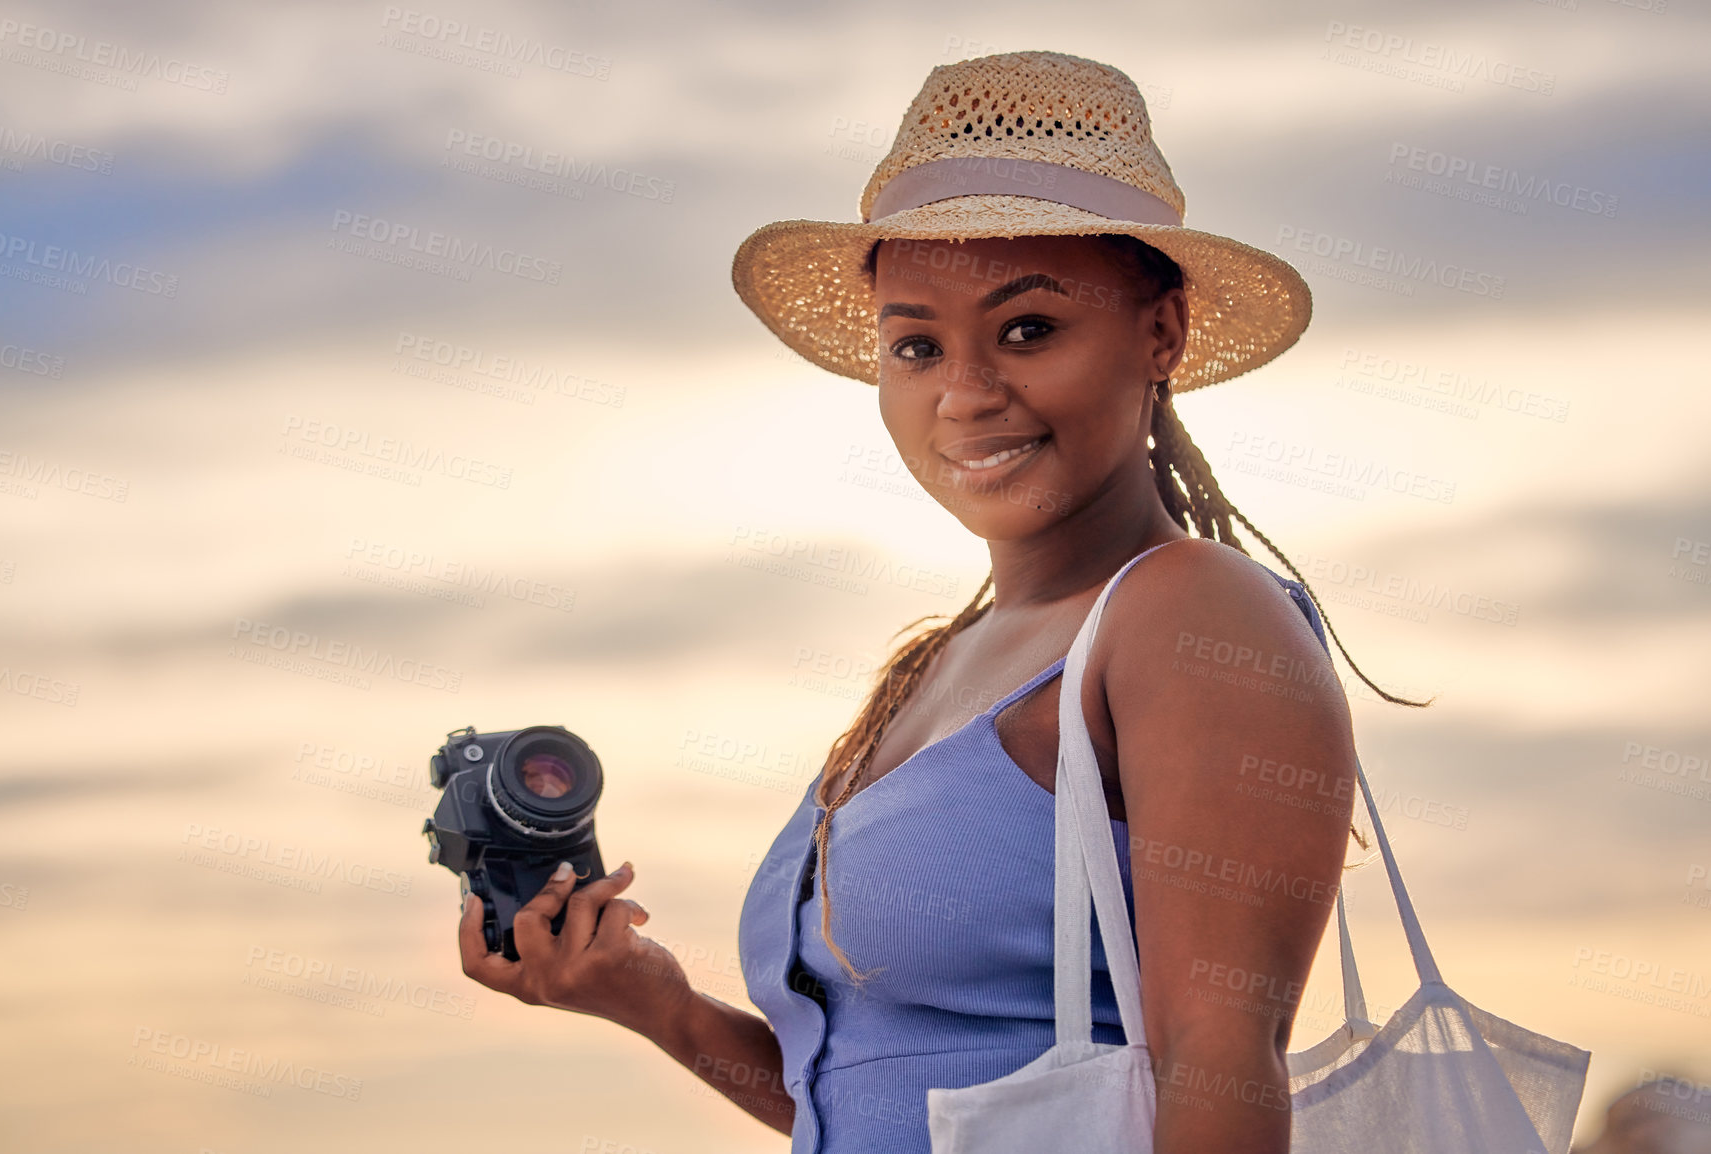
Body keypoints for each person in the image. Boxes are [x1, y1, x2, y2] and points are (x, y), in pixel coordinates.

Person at [457, 50, 1416, 1154]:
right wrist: (656, 1002)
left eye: (1028, 329)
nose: (964, 393)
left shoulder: (1191, 615)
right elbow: (877, 1093)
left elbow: (1218, 1069)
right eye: (917, 345)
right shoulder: (934, 666)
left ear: (1162, 333)